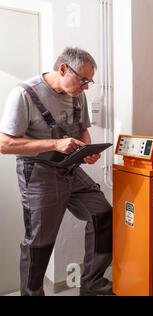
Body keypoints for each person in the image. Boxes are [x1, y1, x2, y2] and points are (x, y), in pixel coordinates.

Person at [0, 47, 113, 296]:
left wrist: (87, 149)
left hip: (70, 167)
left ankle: (93, 284)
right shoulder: (24, 94)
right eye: (83, 79)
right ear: (63, 69)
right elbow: (4, 144)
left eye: (89, 81)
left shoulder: (77, 94)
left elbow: (82, 129)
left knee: (102, 213)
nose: (86, 87)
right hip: (38, 172)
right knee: (39, 242)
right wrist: (54, 144)